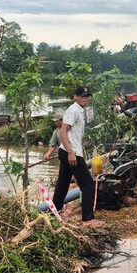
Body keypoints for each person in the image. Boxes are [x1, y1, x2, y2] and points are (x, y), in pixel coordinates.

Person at [51, 85, 99, 225]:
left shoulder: (80, 111)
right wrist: (71, 153)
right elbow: (62, 132)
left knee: (62, 184)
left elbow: (72, 132)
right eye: (82, 96)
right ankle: (88, 219)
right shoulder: (73, 110)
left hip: (67, 151)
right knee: (88, 184)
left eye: (87, 96)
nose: (85, 99)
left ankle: (54, 213)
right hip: (71, 152)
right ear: (75, 97)